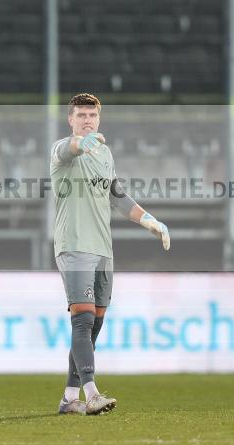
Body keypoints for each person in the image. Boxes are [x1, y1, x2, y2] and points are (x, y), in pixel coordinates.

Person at [49, 93, 171, 415]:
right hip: (74, 246)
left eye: (92, 115)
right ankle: (92, 396)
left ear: (99, 119)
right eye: (81, 115)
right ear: (70, 120)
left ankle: (68, 398)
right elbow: (68, 149)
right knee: (83, 318)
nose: (87, 120)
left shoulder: (104, 154)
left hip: (104, 250)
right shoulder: (62, 151)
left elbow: (116, 195)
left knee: (93, 326)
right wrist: (80, 145)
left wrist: (149, 220)